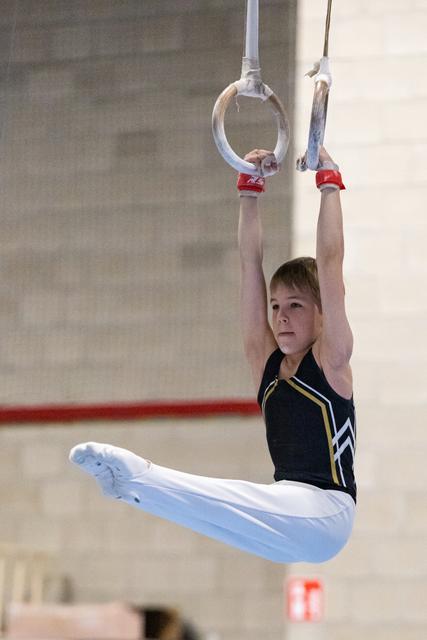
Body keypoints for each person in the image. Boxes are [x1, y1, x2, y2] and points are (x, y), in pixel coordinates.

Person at [69, 147, 356, 564]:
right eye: (275, 306)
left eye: (296, 305)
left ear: (324, 315)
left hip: (326, 513)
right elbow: (249, 263)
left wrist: (329, 184)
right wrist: (249, 192)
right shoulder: (265, 364)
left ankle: (140, 475)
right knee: (208, 515)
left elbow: (331, 263)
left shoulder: (332, 361)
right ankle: (133, 488)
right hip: (284, 518)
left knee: (231, 498)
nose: (281, 317)